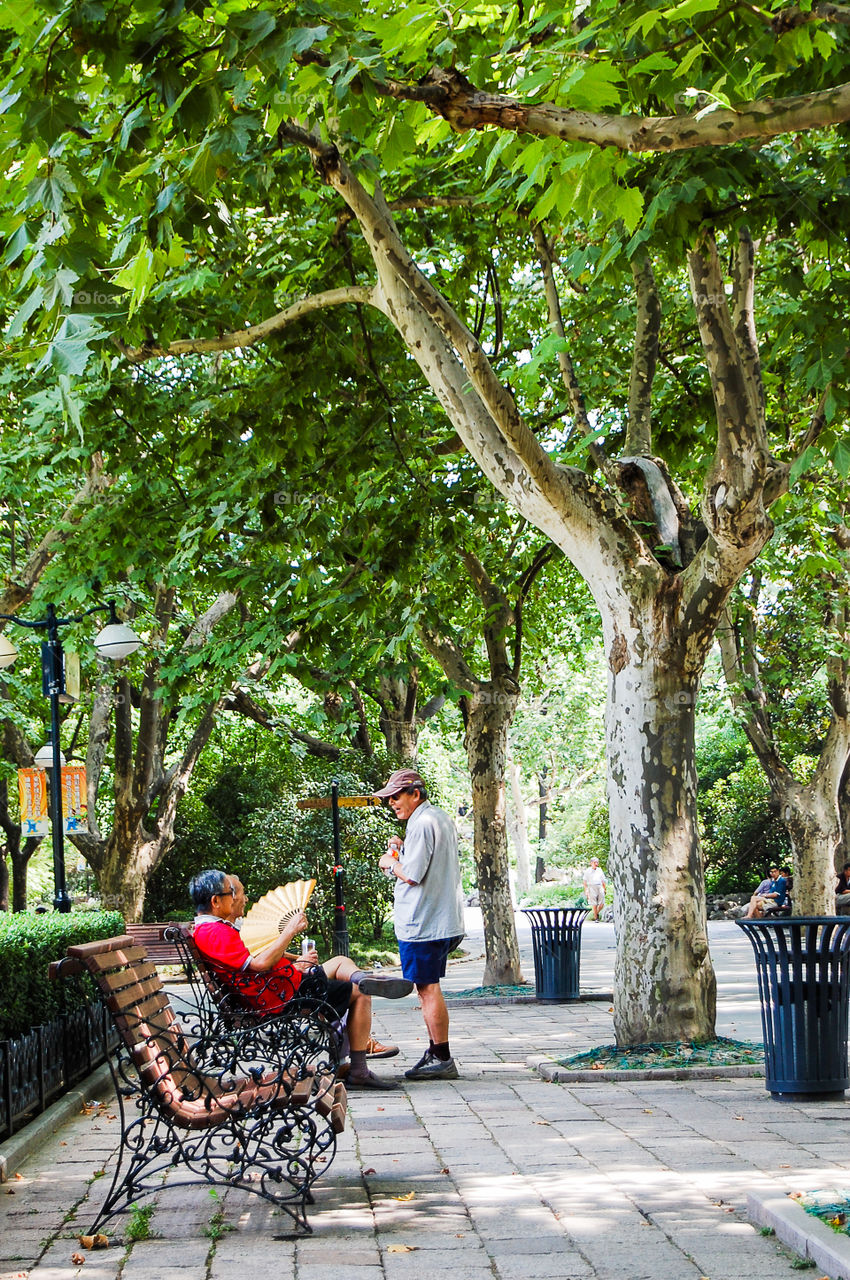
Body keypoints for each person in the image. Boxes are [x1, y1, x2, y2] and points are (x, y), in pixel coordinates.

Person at [189, 869, 412, 1090]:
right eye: (231, 893)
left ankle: (367, 980)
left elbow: (253, 960)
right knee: (359, 993)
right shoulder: (215, 932)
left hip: (279, 987)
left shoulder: (212, 929)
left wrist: (296, 962)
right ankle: (359, 1070)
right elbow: (259, 964)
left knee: (341, 965)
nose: (237, 897)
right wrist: (289, 932)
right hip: (277, 997)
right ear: (216, 901)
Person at [375, 768, 465, 1082]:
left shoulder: (423, 823)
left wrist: (389, 863)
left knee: (427, 988)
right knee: (426, 987)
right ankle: (435, 1051)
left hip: (424, 922)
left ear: (415, 793)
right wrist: (402, 848)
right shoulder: (435, 818)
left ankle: (441, 1056)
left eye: (396, 796)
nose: (391, 803)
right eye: (389, 798)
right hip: (438, 918)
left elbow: (412, 874)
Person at [582, 857, 608, 921]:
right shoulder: (587, 871)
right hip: (591, 886)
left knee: (602, 903)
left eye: (597, 862)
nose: (596, 864)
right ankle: (596, 917)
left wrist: (604, 888)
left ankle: (595, 913)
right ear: (591, 863)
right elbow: (585, 882)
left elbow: (603, 880)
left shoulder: (599, 870)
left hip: (599, 886)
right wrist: (586, 890)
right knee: (594, 903)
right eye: (595, 862)